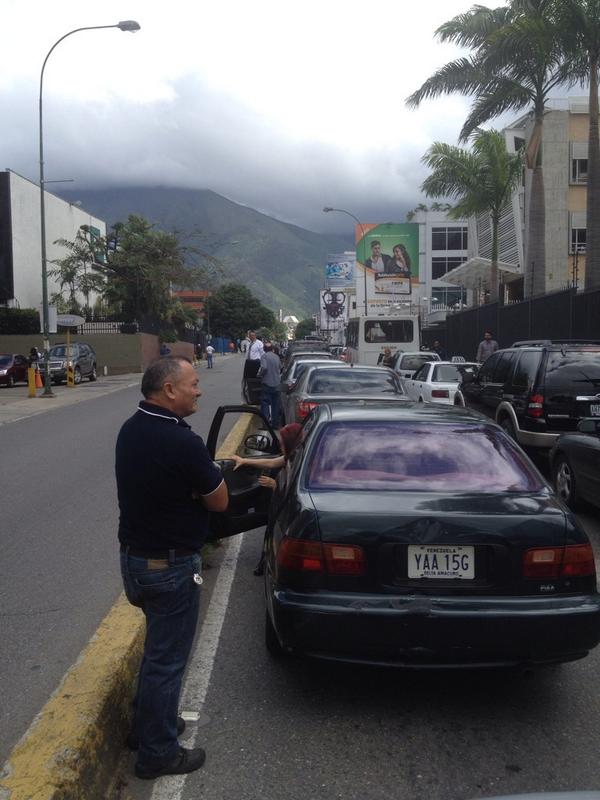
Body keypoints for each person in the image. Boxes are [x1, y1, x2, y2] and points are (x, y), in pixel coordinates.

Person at [116, 356, 228, 780]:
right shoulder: (182, 441)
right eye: (193, 383)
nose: (198, 390)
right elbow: (219, 501)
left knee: (156, 653)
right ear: (169, 390)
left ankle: (146, 728)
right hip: (170, 565)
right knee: (167, 661)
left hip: (135, 561)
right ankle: (158, 753)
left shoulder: (131, 429)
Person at [232, 423, 304, 575]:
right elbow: (271, 462)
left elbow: (295, 492)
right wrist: (245, 461)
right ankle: (264, 561)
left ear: (290, 443)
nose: (280, 445)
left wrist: (275, 485)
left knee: (276, 533)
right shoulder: (290, 456)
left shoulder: (300, 460)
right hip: (283, 507)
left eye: (282, 442)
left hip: (291, 511)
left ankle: (268, 563)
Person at [258, 341, 282, 426]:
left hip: (267, 383)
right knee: (275, 405)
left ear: (264, 349)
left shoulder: (264, 356)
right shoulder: (276, 357)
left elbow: (264, 368)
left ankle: (266, 423)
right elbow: (280, 368)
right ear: (272, 349)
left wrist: (260, 375)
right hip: (277, 384)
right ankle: (275, 424)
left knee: (265, 403)